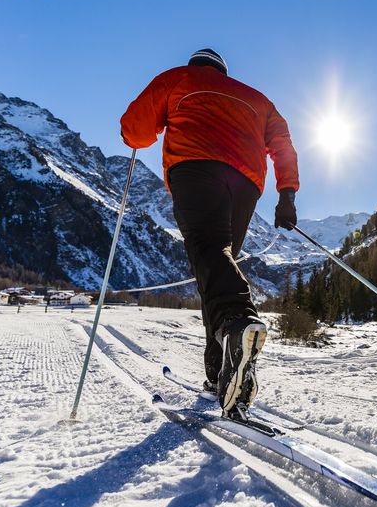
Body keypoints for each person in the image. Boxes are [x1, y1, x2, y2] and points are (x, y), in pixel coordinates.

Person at [120, 48, 299, 415]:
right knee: (218, 262)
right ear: (224, 71)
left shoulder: (177, 79)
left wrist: (139, 136)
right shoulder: (257, 98)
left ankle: (238, 321)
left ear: (196, 66)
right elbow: (282, 144)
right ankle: (220, 372)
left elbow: (135, 129)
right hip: (246, 182)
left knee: (209, 252)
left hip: (195, 166)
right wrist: (287, 195)